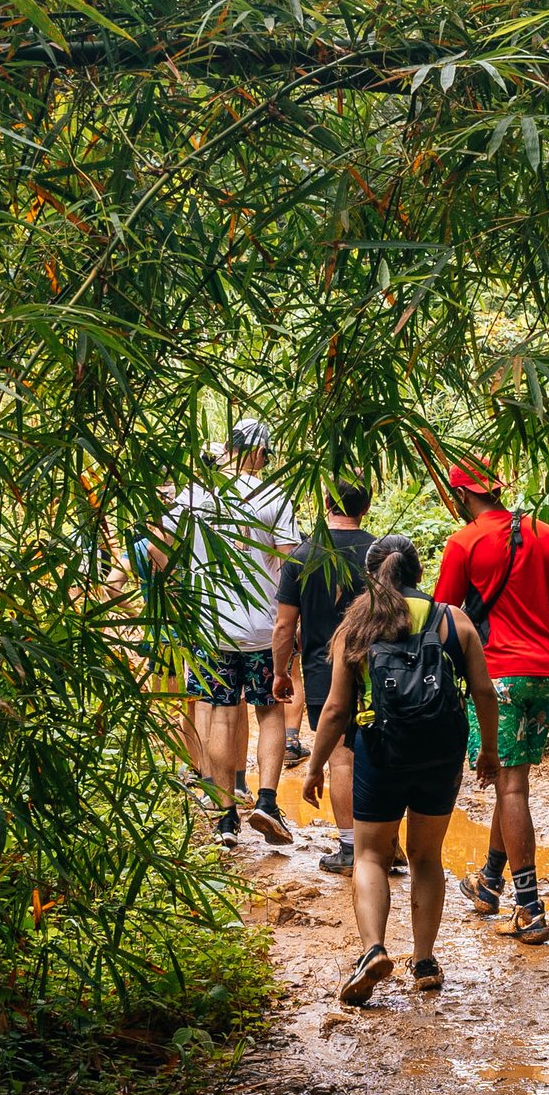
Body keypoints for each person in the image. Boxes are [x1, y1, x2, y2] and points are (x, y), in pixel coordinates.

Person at [301, 534, 500, 1005]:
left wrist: (314, 767)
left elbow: (334, 709)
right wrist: (487, 751)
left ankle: (373, 950)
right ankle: (425, 959)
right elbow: (485, 693)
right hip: (440, 753)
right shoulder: (453, 619)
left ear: (372, 576)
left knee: (369, 856)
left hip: (380, 751)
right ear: (418, 573)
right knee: (427, 857)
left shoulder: (359, 623)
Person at [433, 459, 549, 946]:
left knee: (511, 788)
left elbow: (444, 615)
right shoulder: (547, 534)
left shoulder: (464, 542)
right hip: (544, 671)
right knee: (511, 780)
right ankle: (490, 881)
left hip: (498, 676)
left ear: (460, 496)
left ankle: (531, 909)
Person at [147, 418, 297, 846]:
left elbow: (158, 549)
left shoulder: (195, 497)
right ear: (260, 452)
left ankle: (225, 817)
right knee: (270, 711)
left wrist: (186, 585)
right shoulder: (274, 496)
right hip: (264, 629)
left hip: (211, 627)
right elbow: (289, 564)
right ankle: (266, 804)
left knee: (221, 712)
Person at [271, 476, 375, 874]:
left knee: (342, 760)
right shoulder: (378, 552)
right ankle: (385, 845)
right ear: (365, 507)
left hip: (321, 672)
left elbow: (284, 626)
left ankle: (351, 849)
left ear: (326, 503)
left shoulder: (303, 554)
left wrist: (281, 673)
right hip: (376, 671)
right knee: (378, 754)